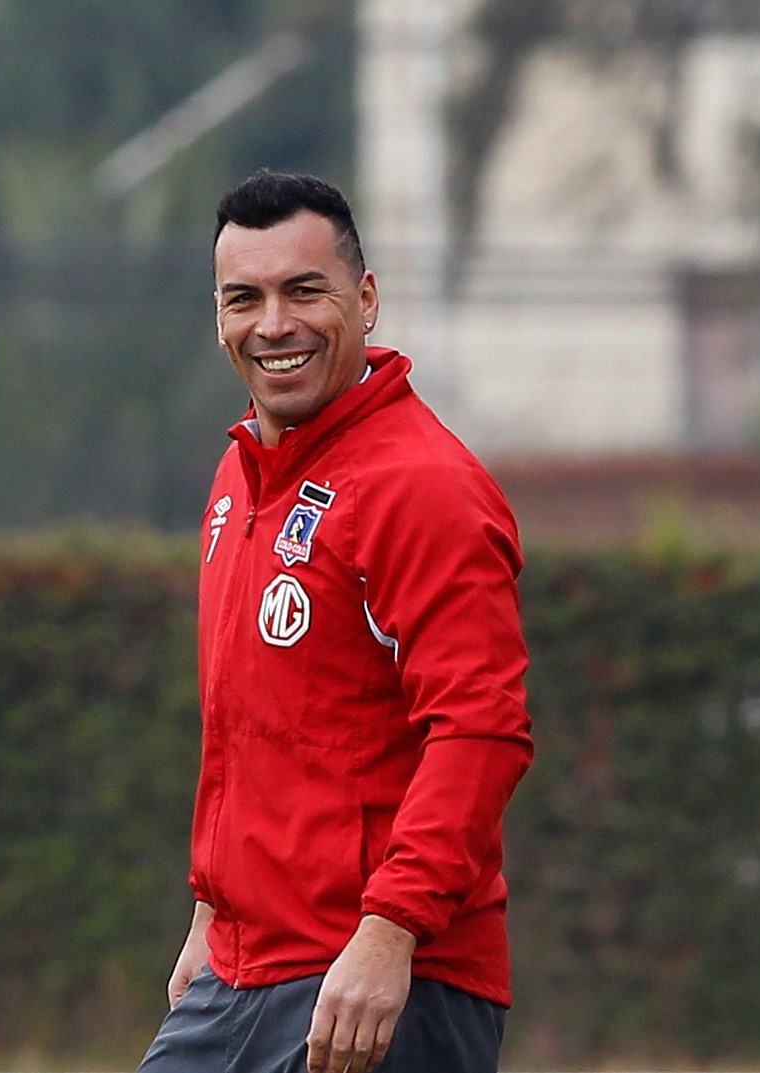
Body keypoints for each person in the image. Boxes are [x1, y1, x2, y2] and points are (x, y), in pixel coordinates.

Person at [136, 171, 533, 1073]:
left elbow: (480, 729)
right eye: (245, 298)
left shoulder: (421, 486)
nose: (274, 324)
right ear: (219, 316)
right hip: (240, 975)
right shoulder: (242, 473)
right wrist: (211, 913)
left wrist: (391, 932)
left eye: (303, 290)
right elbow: (247, 726)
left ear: (365, 298)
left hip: (382, 983)